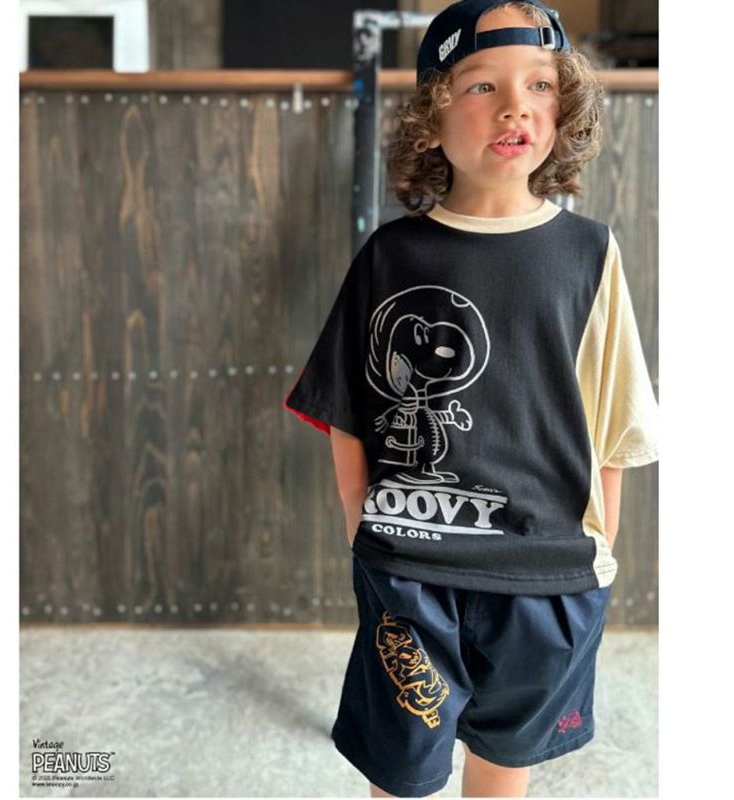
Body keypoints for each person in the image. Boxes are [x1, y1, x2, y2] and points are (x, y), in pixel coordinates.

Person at [284, 0, 659, 796]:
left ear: (565, 108)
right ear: (432, 116)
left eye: (540, 85)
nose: (516, 106)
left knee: (503, 764)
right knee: (402, 770)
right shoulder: (392, 254)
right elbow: (345, 402)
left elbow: (616, 417)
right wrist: (361, 520)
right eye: (483, 85)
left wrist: (598, 548)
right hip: (411, 567)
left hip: (547, 577)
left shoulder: (589, 253)